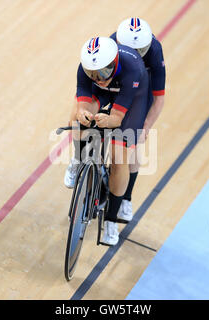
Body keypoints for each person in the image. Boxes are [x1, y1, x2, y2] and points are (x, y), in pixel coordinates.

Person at [66, 36, 149, 245]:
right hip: (104, 95)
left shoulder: (133, 68)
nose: (99, 78)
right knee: (76, 118)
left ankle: (111, 221)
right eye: (92, 74)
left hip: (132, 97)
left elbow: (116, 118)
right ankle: (78, 160)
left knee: (119, 157)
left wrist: (109, 119)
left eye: (103, 72)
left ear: (114, 63)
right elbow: (83, 101)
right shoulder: (86, 70)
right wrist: (84, 113)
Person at [110, 17, 166, 223]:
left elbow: (159, 98)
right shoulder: (112, 43)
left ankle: (126, 197)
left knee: (132, 141)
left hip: (143, 89)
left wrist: (146, 126)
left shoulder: (154, 51)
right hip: (119, 83)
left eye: (139, 52)